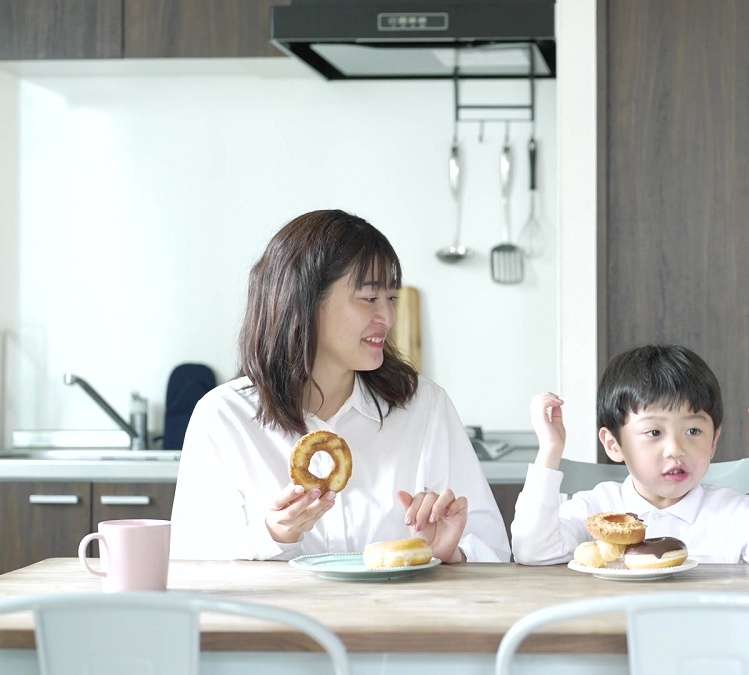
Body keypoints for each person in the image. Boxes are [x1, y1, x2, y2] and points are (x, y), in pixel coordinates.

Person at [170, 209, 510, 563]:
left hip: (401, 604)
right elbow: (189, 565)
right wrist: (274, 535)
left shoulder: (423, 405)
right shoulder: (225, 415)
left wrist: (450, 553)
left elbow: (494, 550)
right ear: (303, 302)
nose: (388, 317)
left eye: (391, 299)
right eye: (369, 299)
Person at [510, 343, 749, 565]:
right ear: (614, 445)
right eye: (654, 432)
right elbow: (534, 552)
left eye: (693, 431)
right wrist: (550, 450)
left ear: (713, 441)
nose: (676, 449)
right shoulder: (596, 509)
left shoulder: (732, 513)